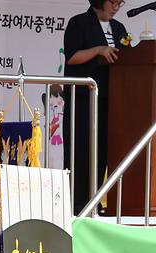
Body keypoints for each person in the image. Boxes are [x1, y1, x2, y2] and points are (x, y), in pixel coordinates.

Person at [63, 0, 129, 215]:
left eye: (120, 3)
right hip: (83, 99)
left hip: (110, 99)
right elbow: (72, 57)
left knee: (102, 153)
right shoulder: (79, 23)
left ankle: (95, 201)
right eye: (113, 2)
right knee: (80, 152)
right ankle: (76, 203)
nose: (117, 6)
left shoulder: (118, 28)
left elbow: (126, 58)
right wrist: (99, 49)